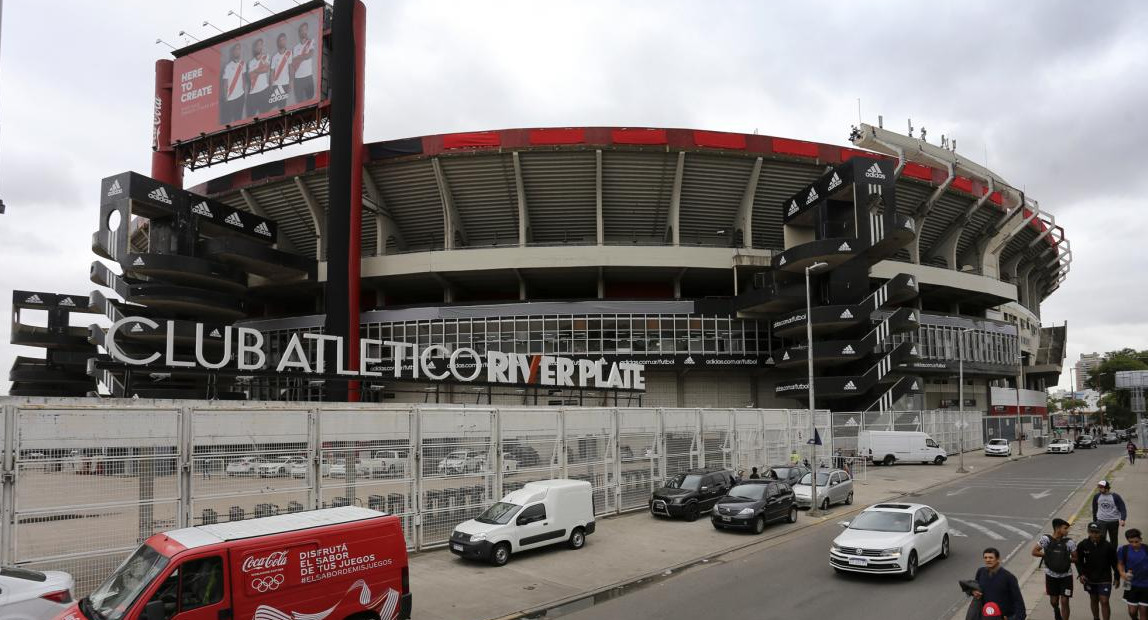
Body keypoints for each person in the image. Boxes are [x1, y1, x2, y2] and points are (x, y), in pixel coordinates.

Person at [1033, 518, 1077, 620]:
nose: (1067, 531)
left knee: (1065, 601)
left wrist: (1065, 559)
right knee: (1054, 601)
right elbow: (1034, 552)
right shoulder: (1046, 539)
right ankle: (1056, 610)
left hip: (1066, 576)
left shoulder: (1069, 542)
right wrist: (1049, 555)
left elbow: (1076, 558)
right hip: (1051, 575)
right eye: (1065, 528)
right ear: (1057, 528)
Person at [1076, 522, 1120, 620]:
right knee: (1094, 599)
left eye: (1096, 532)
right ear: (1088, 532)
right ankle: (1096, 618)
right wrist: (1081, 574)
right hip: (1090, 578)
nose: (1094, 535)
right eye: (1091, 532)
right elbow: (1078, 561)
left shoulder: (1108, 546)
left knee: (1104, 601)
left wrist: (1117, 577)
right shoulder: (1083, 545)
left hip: (1105, 578)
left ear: (1101, 532)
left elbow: (1115, 563)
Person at [972, 547, 1026, 620]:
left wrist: (1020, 617)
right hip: (986, 616)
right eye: (985, 557)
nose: (988, 560)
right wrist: (974, 592)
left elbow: (1018, 600)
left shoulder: (1009, 577)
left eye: (991, 557)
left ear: (998, 559)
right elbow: (975, 588)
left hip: (1004, 617)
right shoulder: (981, 572)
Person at [1117, 528, 1148, 620]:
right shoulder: (1123, 549)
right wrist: (1122, 573)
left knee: (1144, 611)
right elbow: (1120, 563)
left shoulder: (1146, 549)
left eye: (1136, 541)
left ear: (1141, 539)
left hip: (1146, 585)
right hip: (1130, 584)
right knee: (1132, 612)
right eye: (1131, 542)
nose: (1134, 544)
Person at [1092, 480, 1128, 548]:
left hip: (1113, 521)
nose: (1099, 488)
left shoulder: (1115, 496)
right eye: (1099, 487)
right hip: (1101, 521)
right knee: (1100, 539)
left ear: (1107, 488)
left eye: (1101, 487)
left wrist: (1123, 519)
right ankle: (1102, 555)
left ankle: (1113, 554)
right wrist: (1094, 521)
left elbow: (1122, 508)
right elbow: (1094, 510)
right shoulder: (1096, 496)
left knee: (1113, 540)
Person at [220, 43, 246, 124]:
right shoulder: (228, 66)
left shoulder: (243, 64)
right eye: (236, 49)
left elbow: (243, 78)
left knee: (238, 120)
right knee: (227, 121)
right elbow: (225, 83)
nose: (237, 51)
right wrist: (225, 97)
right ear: (232, 52)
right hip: (230, 98)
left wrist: (243, 91)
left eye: (239, 49)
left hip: (240, 96)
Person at [291, 21, 316, 104]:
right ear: (299, 32)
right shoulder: (295, 48)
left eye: (305, 30)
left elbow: (310, 54)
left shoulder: (311, 42)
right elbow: (293, 64)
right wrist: (291, 81)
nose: (304, 32)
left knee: (310, 101)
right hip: (297, 79)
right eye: (302, 30)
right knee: (299, 103)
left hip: (308, 76)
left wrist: (298, 57)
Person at [246, 38, 271, 116]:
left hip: (264, 90)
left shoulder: (266, 57)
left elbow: (266, 69)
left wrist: (255, 71)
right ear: (254, 47)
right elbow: (250, 76)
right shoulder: (250, 62)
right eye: (257, 45)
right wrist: (260, 69)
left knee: (265, 116)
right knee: (250, 118)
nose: (259, 47)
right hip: (253, 93)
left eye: (261, 45)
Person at [268, 32, 292, 108]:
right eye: (280, 40)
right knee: (275, 107)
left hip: (285, 83)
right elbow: (271, 72)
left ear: (286, 41)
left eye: (283, 40)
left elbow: (290, 68)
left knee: (282, 106)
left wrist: (291, 82)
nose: (282, 42)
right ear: (278, 42)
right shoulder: (274, 57)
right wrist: (271, 85)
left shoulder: (289, 53)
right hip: (276, 84)